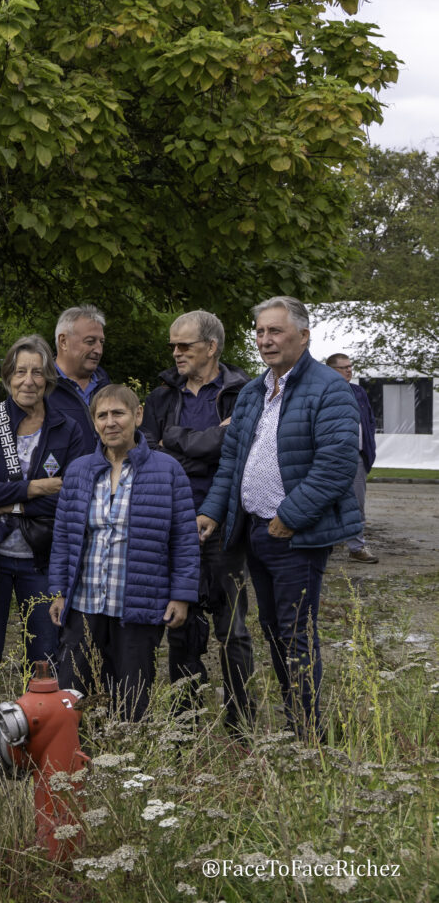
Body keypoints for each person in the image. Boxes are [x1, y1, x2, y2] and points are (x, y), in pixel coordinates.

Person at [199, 297, 361, 739]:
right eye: (260, 332)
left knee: (295, 634)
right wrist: (212, 511)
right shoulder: (254, 390)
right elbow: (231, 462)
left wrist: (290, 516)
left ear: (303, 336)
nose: (265, 340)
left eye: (275, 331)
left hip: (294, 534)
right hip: (255, 531)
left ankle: (309, 736)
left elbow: (337, 462)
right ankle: (296, 725)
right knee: (274, 631)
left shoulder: (330, 388)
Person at [48, 385, 200, 720]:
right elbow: (64, 537)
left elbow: (184, 538)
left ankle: (127, 762)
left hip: (138, 604)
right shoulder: (79, 470)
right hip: (84, 602)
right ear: (94, 422)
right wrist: (58, 592)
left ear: (138, 415)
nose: (110, 422)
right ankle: (74, 762)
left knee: (131, 696)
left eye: (119, 413)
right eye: (102, 415)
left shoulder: (167, 470)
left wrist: (181, 595)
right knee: (72, 693)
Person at [0, 335, 88, 719]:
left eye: (36, 372)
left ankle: (41, 726)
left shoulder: (68, 429)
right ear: (8, 377)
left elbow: (70, 496)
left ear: (48, 377)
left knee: (45, 650)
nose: (28, 380)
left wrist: (7, 502)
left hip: (42, 558)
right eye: (19, 372)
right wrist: (34, 488)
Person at [141, 311, 256, 732]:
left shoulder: (243, 395)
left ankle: (241, 726)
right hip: (173, 524)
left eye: (184, 345)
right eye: (173, 345)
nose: (175, 353)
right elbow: (149, 454)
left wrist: (179, 439)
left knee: (233, 630)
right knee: (180, 625)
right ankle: (185, 724)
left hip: (224, 523)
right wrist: (206, 443)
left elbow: (237, 452)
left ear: (210, 346)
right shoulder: (160, 398)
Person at [326, 353, 379, 563]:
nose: (349, 370)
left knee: (356, 503)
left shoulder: (358, 392)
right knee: (324, 501)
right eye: (344, 367)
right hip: (328, 458)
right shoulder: (321, 391)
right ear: (331, 370)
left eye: (350, 366)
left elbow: (370, 422)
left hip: (356, 457)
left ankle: (356, 547)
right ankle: (322, 546)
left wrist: (369, 448)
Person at [48, 305, 110, 440]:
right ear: (63, 341)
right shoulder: (40, 388)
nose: (99, 350)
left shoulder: (106, 387)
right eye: (90, 342)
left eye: (101, 342)